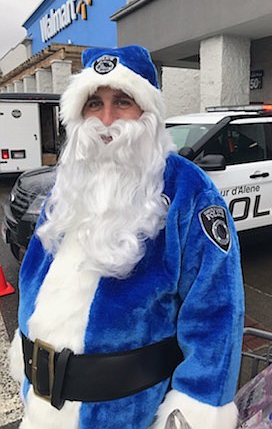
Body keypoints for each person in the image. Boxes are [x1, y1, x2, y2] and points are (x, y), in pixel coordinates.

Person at [9, 45, 245, 429]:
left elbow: (217, 311)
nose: (105, 120)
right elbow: (33, 276)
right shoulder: (66, 183)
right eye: (93, 104)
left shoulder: (188, 190)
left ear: (147, 112)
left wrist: (197, 405)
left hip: (129, 414)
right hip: (40, 409)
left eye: (122, 102)